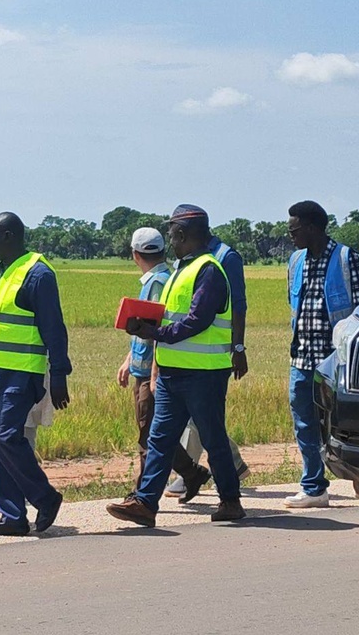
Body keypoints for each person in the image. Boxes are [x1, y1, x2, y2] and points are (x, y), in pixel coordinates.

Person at [106, 204, 246, 527]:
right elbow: (169, 316)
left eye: (172, 234)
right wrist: (144, 325)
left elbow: (197, 320)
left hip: (203, 374)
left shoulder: (208, 270)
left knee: (213, 438)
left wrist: (154, 333)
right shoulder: (182, 270)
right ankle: (145, 503)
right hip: (172, 373)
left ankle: (230, 500)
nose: (170, 241)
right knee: (159, 438)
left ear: (182, 234)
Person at [0, 212, 71, 536]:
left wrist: (59, 374)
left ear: (9, 236)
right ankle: (12, 516)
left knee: (6, 438)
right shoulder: (0, 271)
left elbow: (54, 327)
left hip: (21, 373)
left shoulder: (38, 274)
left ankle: (46, 498)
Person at [286, 200, 359, 508]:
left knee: (344, 424)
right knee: (304, 423)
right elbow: (294, 306)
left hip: (335, 361)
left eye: (294, 230)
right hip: (301, 358)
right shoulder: (296, 261)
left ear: (311, 228)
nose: (291, 236)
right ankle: (314, 487)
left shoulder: (347, 259)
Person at [116, 227, 211, 500]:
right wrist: (129, 359)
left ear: (135, 255)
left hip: (151, 371)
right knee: (156, 433)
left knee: (149, 435)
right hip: (145, 367)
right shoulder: (161, 279)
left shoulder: (157, 283)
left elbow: (157, 332)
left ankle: (142, 495)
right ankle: (191, 473)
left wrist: (153, 374)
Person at [165, 226, 250, 498]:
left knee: (204, 422)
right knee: (201, 421)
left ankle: (203, 476)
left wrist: (238, 347)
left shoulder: (225, 258)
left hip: (211, 357)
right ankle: (229, 468)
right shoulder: (188, 259)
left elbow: (238, 304)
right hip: (185, 357)